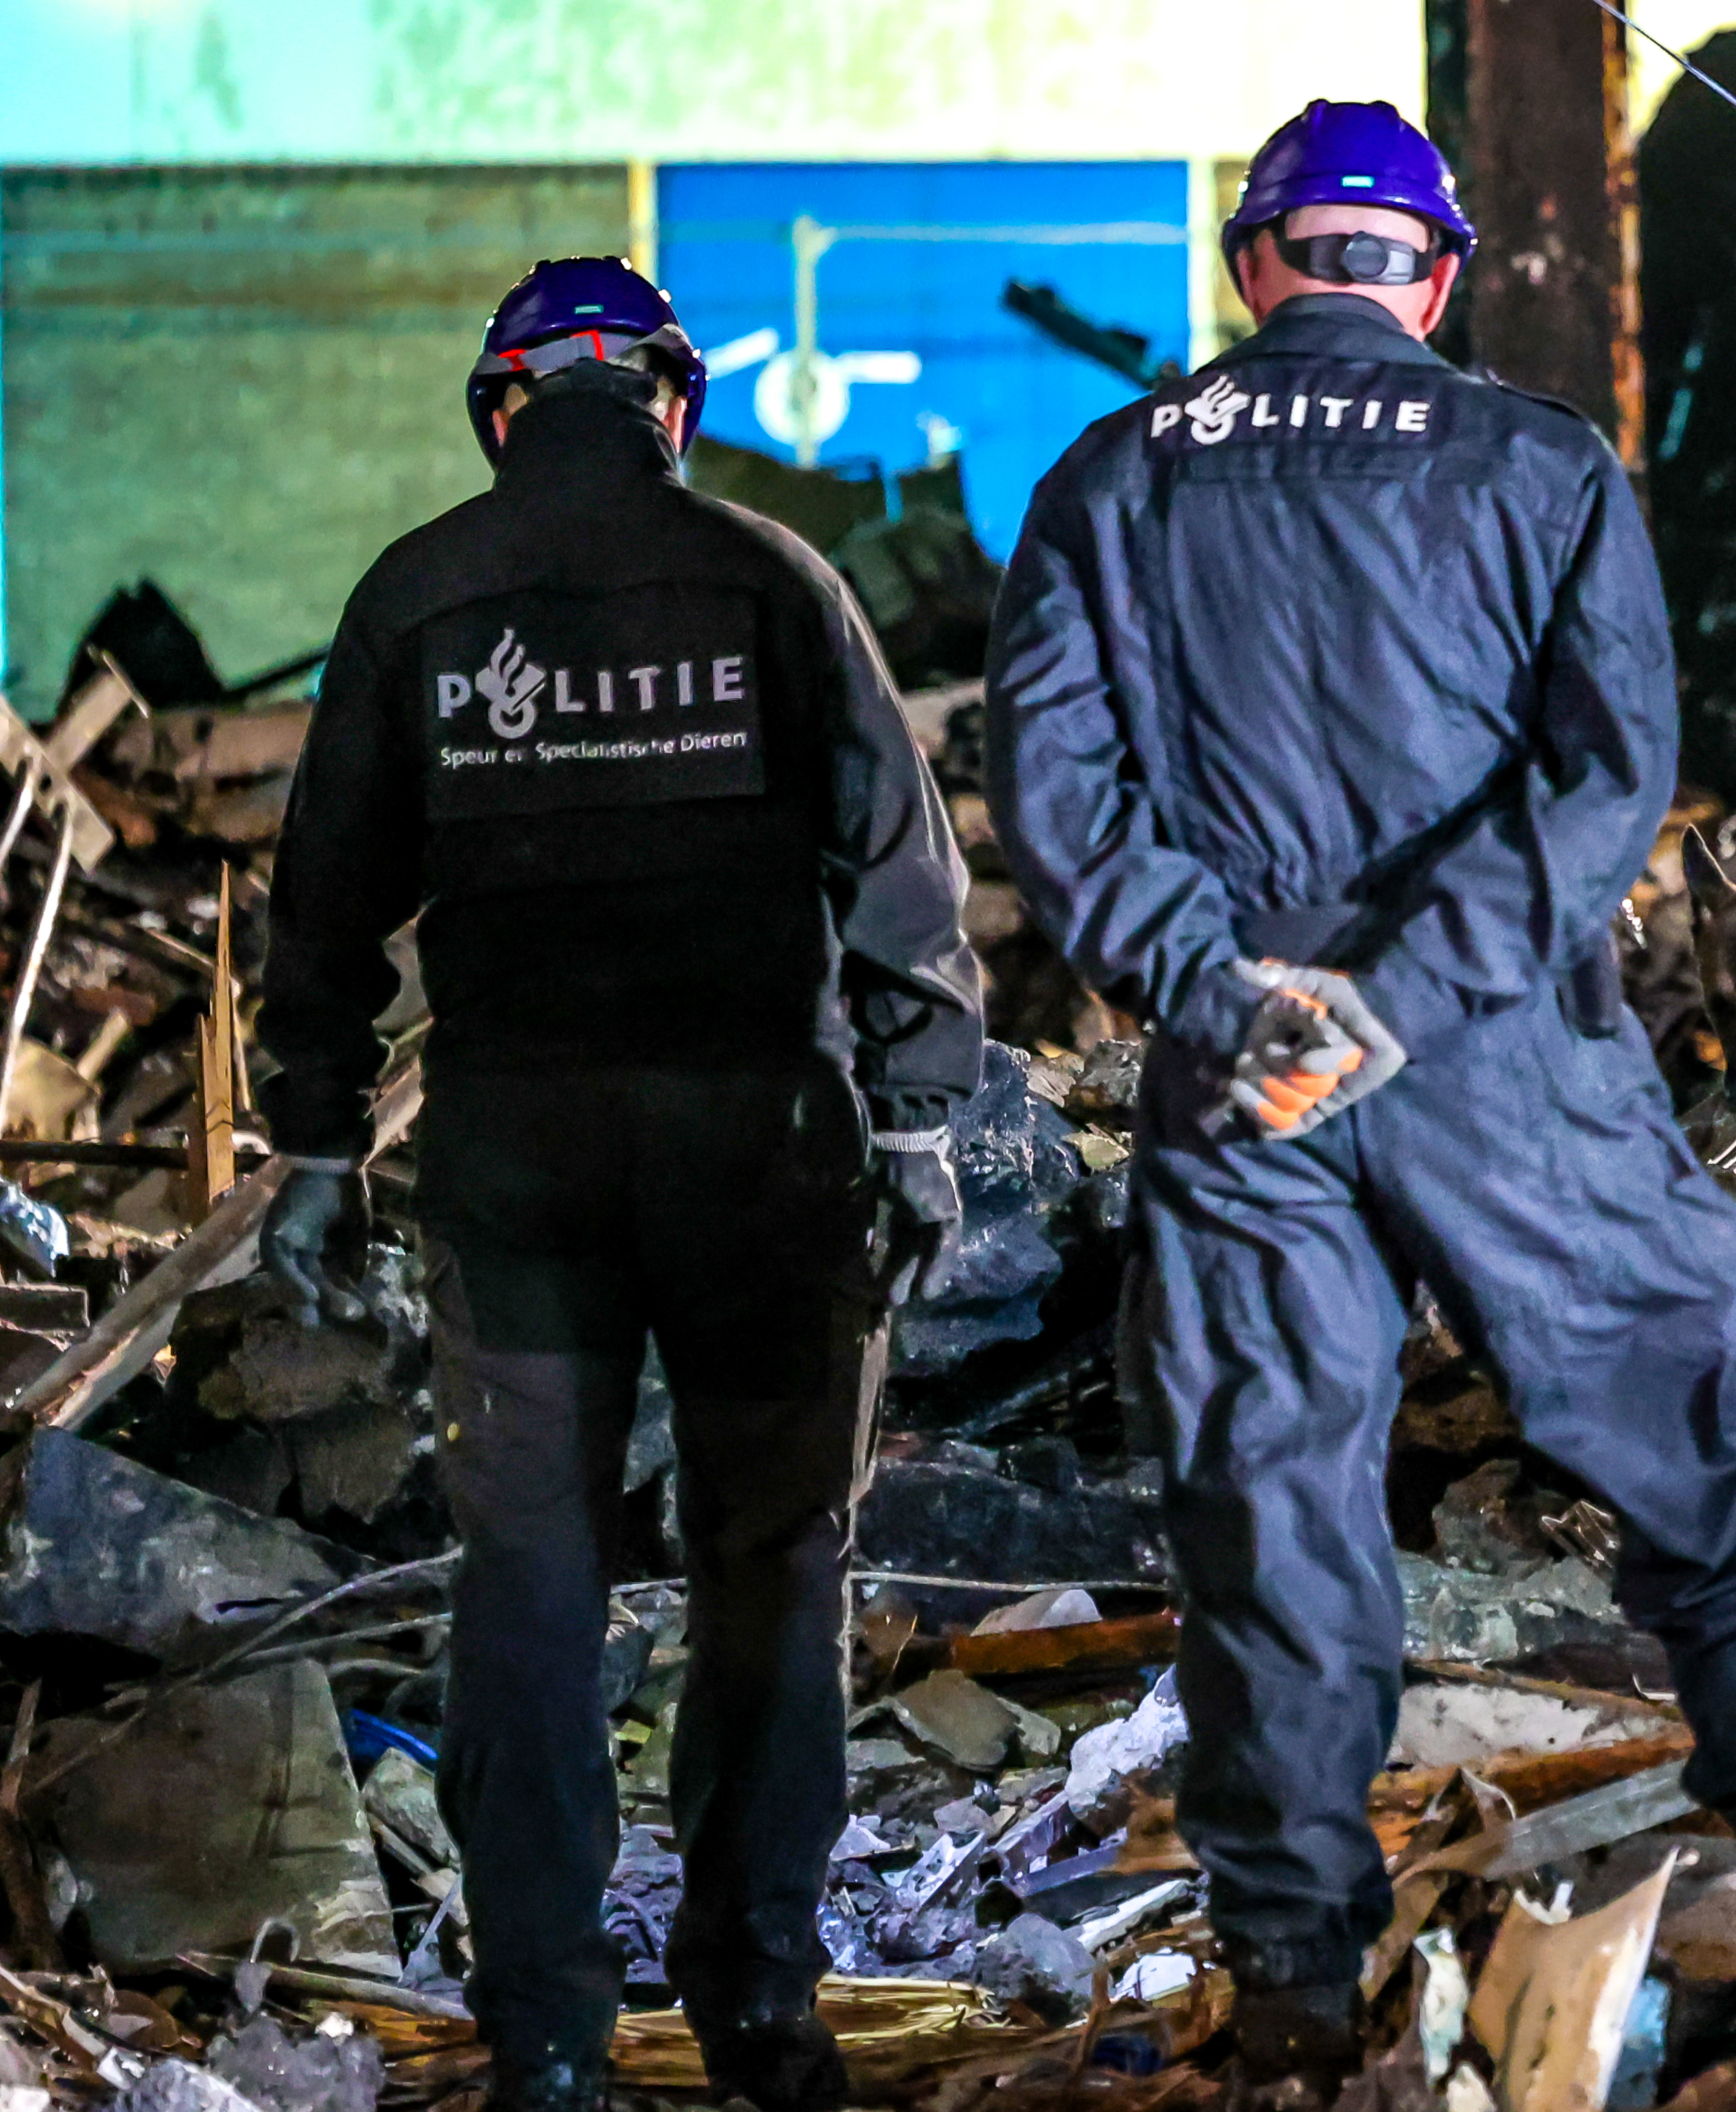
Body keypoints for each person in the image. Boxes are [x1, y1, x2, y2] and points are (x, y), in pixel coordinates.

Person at [985, 101, 1736, 2081]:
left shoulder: (1113, 475)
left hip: (1246, 1068)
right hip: (1497, 1048)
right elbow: (1610, 777)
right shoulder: (1540, 461)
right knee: (1691, 1448)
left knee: (1272, 1511)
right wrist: (1403, 992)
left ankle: (1295, 2005)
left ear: (1256, 266)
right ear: (1438, 274)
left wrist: (1232, 990)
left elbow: (1053, 795)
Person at [258, 256, 985, 2112]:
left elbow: (323, 904)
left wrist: (318, 1143)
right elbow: (902, 877)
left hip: (519, 1167)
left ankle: (551, 2040)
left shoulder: (418, 595)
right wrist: (919, 1123)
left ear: (502, 410)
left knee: (528, 1582)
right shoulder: (778, 579)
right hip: (765, 1156)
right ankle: (764, 2009)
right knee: (774, 1567)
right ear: (674, 403)